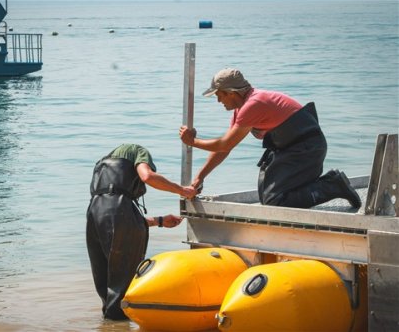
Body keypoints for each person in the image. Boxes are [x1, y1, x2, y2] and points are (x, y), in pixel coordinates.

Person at [179, 68, 361, 209]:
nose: (219, 101)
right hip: (292, 148)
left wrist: (192, 142)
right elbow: (225, 148)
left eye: (219, 96)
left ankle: (332, 186)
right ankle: (323, 183)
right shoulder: (241, 109)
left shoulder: (254, 104)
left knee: (276, 203)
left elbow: (225, 143)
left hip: (307, 149)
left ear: (231, 92)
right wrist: (200, 177)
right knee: (269, 198)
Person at [86, 143, 197, 320]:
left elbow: (119, 220)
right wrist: (182, 190)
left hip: (93, 214)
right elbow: (147, 176)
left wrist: (160, 221)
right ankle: (119, 324)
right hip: (117, 213)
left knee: (105, 283)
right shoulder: (139, 151)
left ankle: (108, 324)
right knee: (122, 284)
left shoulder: (103, 166)